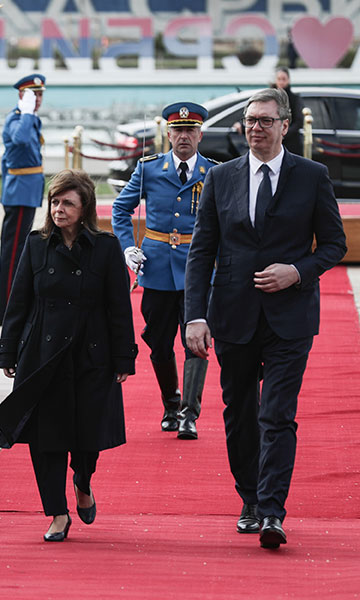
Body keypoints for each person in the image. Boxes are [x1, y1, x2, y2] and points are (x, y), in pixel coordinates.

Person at [184, 88, 346, 549]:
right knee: (240, 413)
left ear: (285, 126)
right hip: (232, 315)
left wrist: (298, 271)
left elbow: (335, 245)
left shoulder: (312, 176)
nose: (256, 127)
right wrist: (195, 315)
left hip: (290, 320)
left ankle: (273, 511)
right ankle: (250, 499)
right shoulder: (221, 177)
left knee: (277, 414)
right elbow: (202, 252)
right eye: (251, 120)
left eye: (266, 121)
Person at [0, 169, 137, 542]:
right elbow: (19, 300)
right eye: (54, 202)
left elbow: (119, 308)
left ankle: (83, 481)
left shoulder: (105, 247)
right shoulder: (36, 244)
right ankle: (57, 512)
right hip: (43, 353)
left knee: (87, 437)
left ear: (84, 206)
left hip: (92, 354)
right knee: (46, 439)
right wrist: (8, 349)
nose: (59, 209)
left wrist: (124, 357)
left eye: (67, 203)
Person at [112, 102, 218, 440]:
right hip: (156, 267)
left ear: (200, 134)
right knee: (158, 341)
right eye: (178, 130)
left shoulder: (214, 172)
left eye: (190, 130)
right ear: (168, 134)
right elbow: (120, 208)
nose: (183, 136)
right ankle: (171, 404)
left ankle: (189, 413)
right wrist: (128, 246)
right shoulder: (149, 169)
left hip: (197, 269)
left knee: (196, 341)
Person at [0, 74, 45, 326]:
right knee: (12, 254)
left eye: (39, 95)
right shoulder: (17, 119)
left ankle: (11, 306)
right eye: (32, 94)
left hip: (26, 191)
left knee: (18, 253)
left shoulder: (30, 120)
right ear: (21, 96)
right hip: (19, 193)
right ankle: (5, 311)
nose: (37, 99)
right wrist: (25, 112)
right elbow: (20, 140)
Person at [272, 68, 303, 155]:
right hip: (272, 141)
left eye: (284, 79)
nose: (281, 82)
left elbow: (299, 121)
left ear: (288, 80)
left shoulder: (295, 99)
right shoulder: (270, 98)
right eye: (279, 79)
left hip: (291, 142)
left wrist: (283, 133)